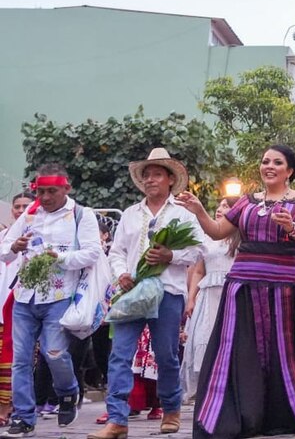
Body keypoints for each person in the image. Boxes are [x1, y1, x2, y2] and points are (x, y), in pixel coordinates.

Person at [177, 144, 295, 438]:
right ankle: (243, 414)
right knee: (240, 350)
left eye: (276, 162)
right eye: (265, 161)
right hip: (242, 285)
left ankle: (282, 415)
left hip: (284, 287)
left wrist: (292, 228)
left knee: (282, 352)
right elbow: (218, 231)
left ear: (290, 170)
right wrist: (198, 211)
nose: (268, 166)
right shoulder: (246, 202)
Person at [87, 148, 204, 439]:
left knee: (165, 355)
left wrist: (171, 255)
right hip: (133, 292)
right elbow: (116, 252)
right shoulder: (129, 214)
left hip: (168, 292)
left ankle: (171, 408)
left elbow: (198, 250)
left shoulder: (183, 213)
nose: (151, 179)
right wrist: (121, 273)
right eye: (147, 175)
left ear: (169, 180)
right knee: (120, 354)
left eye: (157, 174)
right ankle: (117, 420)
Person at [0, 164, 101, 437]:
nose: (44, 197)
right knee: (21, 359)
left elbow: (92, 253)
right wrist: (13, 247)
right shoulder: (30, 214)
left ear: (66, 188)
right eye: (40, 191)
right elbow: (4, 250)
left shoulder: (82, 215)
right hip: (24, 295)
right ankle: (24, 416)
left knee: (54, 352)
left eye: (51, 191)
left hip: (59, 295)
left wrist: (60, 258)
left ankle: (68, 393)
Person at [181, 197, 239, 400]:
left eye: (226, 206)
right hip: (208, 293)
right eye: (219, 205)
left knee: (228, 339)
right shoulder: (207, 239)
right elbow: (198, 271)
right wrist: (191, 298)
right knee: (203, 338)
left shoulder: (241, 238)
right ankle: (206, 388)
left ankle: (228, 386)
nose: (220, 209)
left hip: (230, 292)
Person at [0, 193, 31, 426]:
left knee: (15, 358)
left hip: (25, 305)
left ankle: (9, 406)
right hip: (2, 303)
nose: (21, 210)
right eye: (17, 206)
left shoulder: (43, 237)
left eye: (26, 206)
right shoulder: (4, 238)